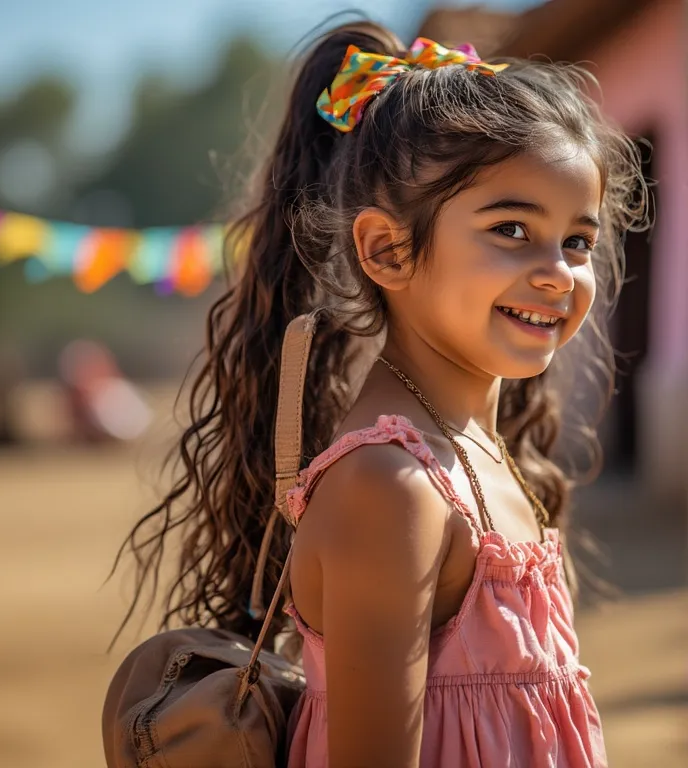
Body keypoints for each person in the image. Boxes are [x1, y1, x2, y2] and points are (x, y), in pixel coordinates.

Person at [112, 20, 646, 767]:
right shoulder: (391, 487)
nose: (559, 272)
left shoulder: (483, 454)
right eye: (511, 229)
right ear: (387, 250)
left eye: (577, 241)